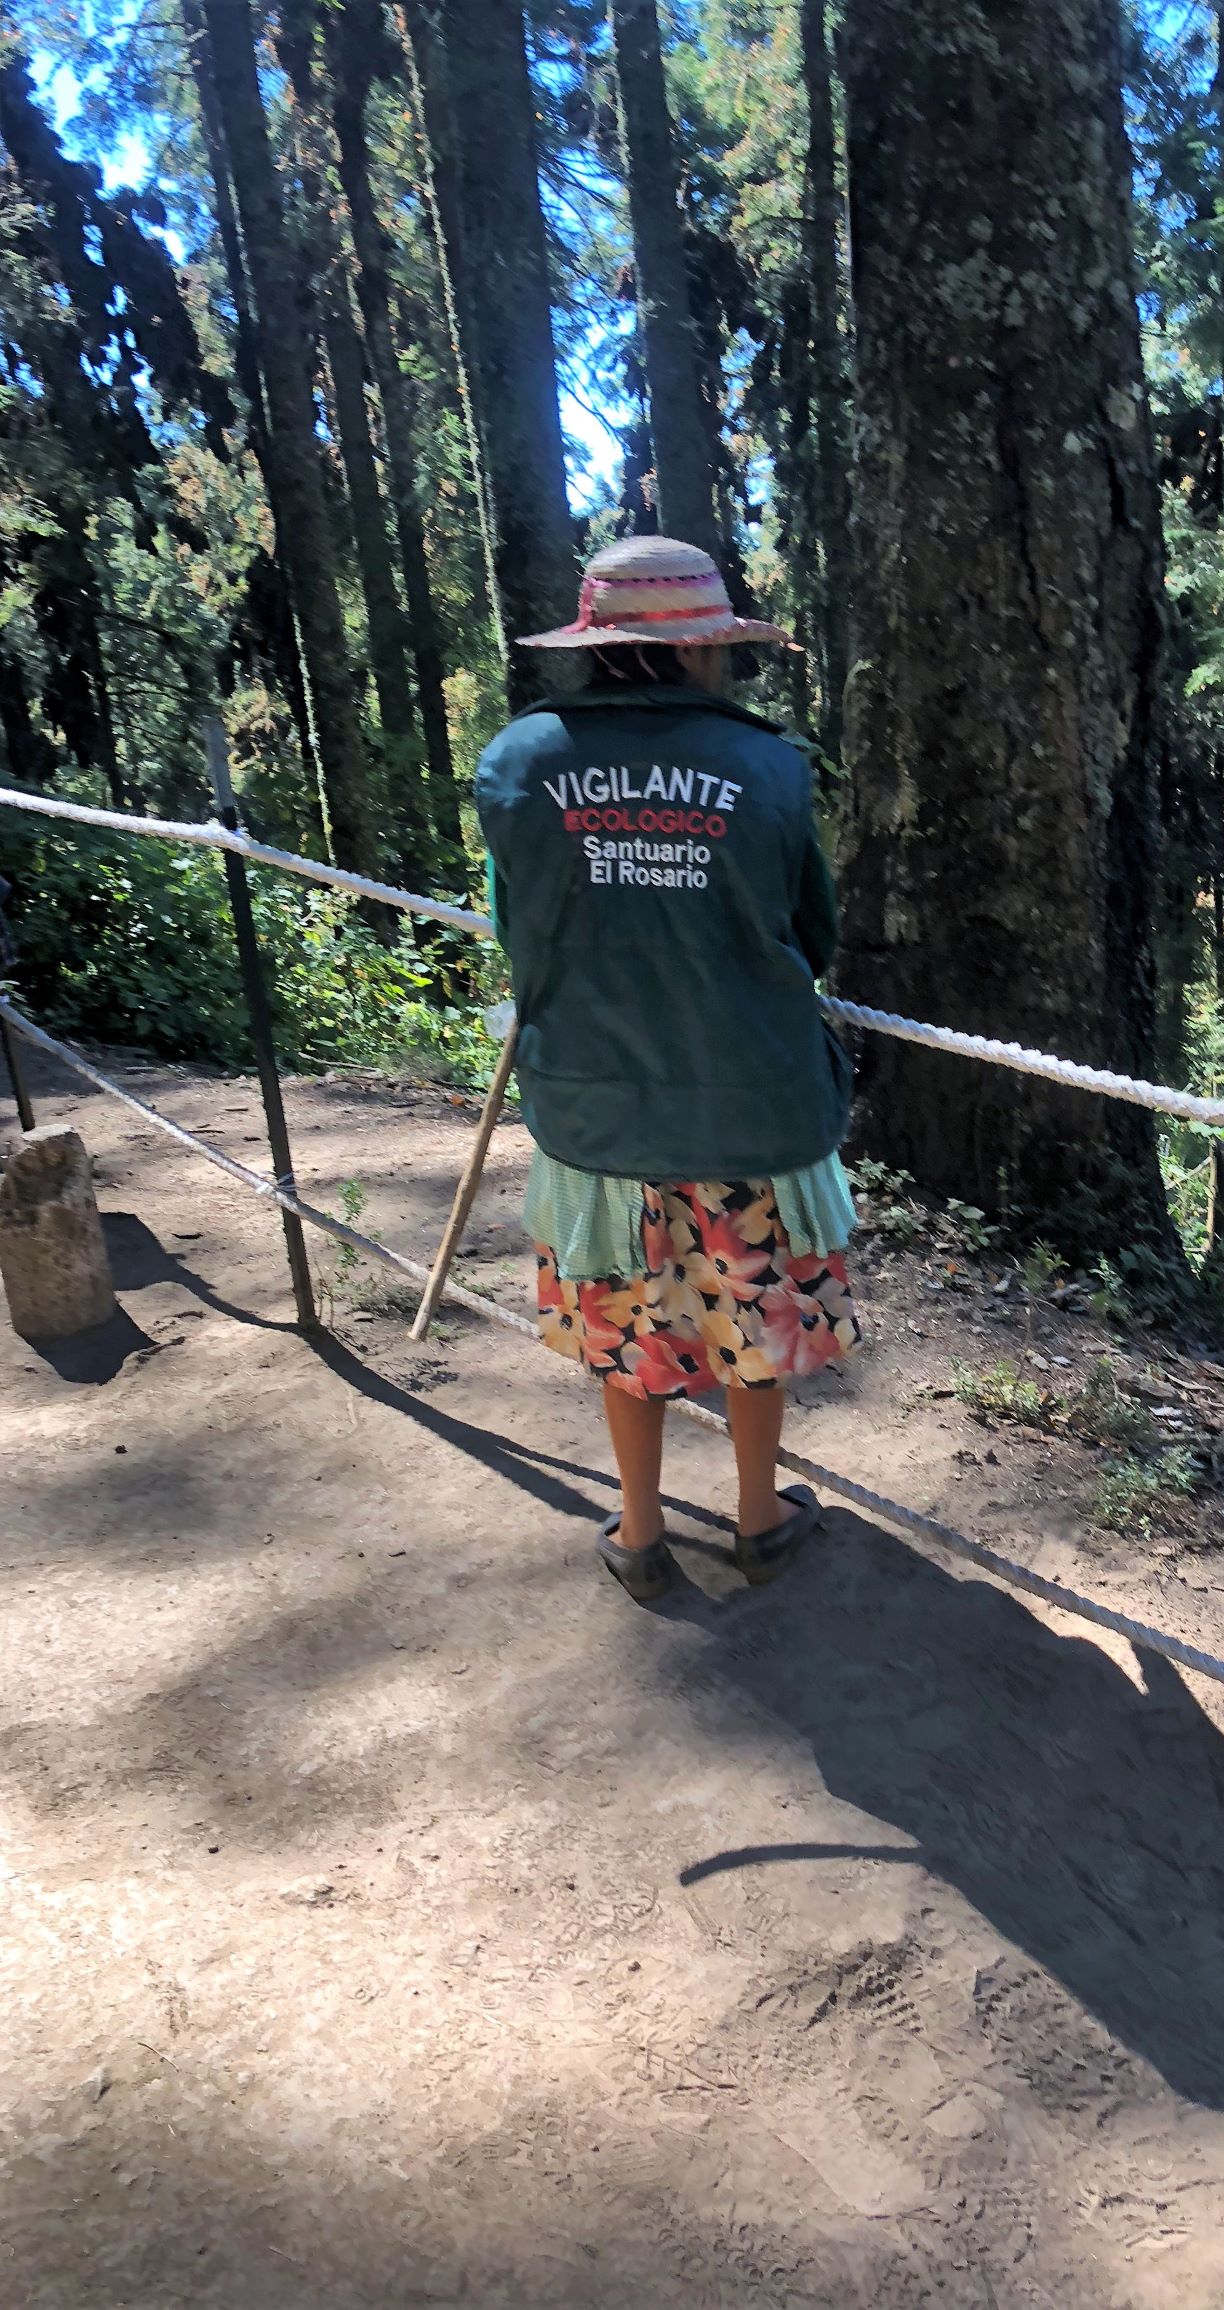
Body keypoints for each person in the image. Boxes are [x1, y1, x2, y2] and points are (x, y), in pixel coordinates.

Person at [476, 536, 861, 1603]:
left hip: (596, 1109)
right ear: (701, 651)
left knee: (624, 1325)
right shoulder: (769, 766)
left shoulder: (517, 762)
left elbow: (521, 931)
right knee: (750, 1323)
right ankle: (754, 1520)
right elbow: (811, 936)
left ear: (596, 647)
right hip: (751, 1104)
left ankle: (639, 1532)